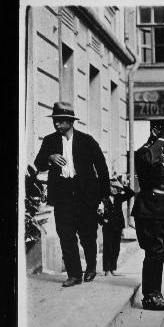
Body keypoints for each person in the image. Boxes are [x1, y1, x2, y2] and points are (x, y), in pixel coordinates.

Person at [33, 101, 110, 287]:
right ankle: (74, 274)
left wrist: (103, 197)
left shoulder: (87, 140)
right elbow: (39, 164)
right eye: (55, 121)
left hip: (86, 196)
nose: (57, 124)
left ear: (70, 121)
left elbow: (102, 168)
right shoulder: (50, 141)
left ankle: (91, 266)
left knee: (88, 235)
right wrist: (50, 158)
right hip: (62, 196)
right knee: (65, 235)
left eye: (60, 121)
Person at [130, 117, 164, 311]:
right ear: (155, 133)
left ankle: (156, 293)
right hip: (151, 209)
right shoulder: (144, 152)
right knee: (154, 252)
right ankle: (149, 297)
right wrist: (159, 141)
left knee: (162, 252)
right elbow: (148, 160)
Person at [101, 174, 135, 276]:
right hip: (107, 226)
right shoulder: (103, 198)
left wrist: (121, 185)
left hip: (118, 225)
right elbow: (96, 211)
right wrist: (102, 221)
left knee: (116, 247)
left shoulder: (119, 197)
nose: (114, 189)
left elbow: (131, 193)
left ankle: (113, 268)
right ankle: (106, 269)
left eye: (116, 187)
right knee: (108, 247)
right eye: (112, 187)